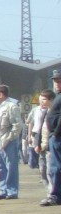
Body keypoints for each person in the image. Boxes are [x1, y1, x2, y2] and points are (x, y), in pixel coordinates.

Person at [0, 84, 22, 200]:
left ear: (1, 95)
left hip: (8, 142)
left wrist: (9, 138)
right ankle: (2, 190)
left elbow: (17, 126)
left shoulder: (11, 107)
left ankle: (12, 191)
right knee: (0, 167)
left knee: (11, 166)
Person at [44, 70, 61, 206]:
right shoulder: (58, 96)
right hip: (55, 136)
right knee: (55, 166)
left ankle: (56, 195)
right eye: (55, 81)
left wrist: (56, 133)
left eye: (59, 81)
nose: (56, 83)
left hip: (58, 137)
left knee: (56, 167)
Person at [31, 90, 53, 189]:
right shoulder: (44, 112)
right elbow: (40, 128)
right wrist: (38, 143)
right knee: (43, 168)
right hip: (42, 142)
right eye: (41, 100)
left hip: (50, 144)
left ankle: (53, 192)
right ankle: (50, 190)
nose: (41, 102)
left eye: (43, 99)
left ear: (51, 100)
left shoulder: (54, 112)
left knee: (50, 169)